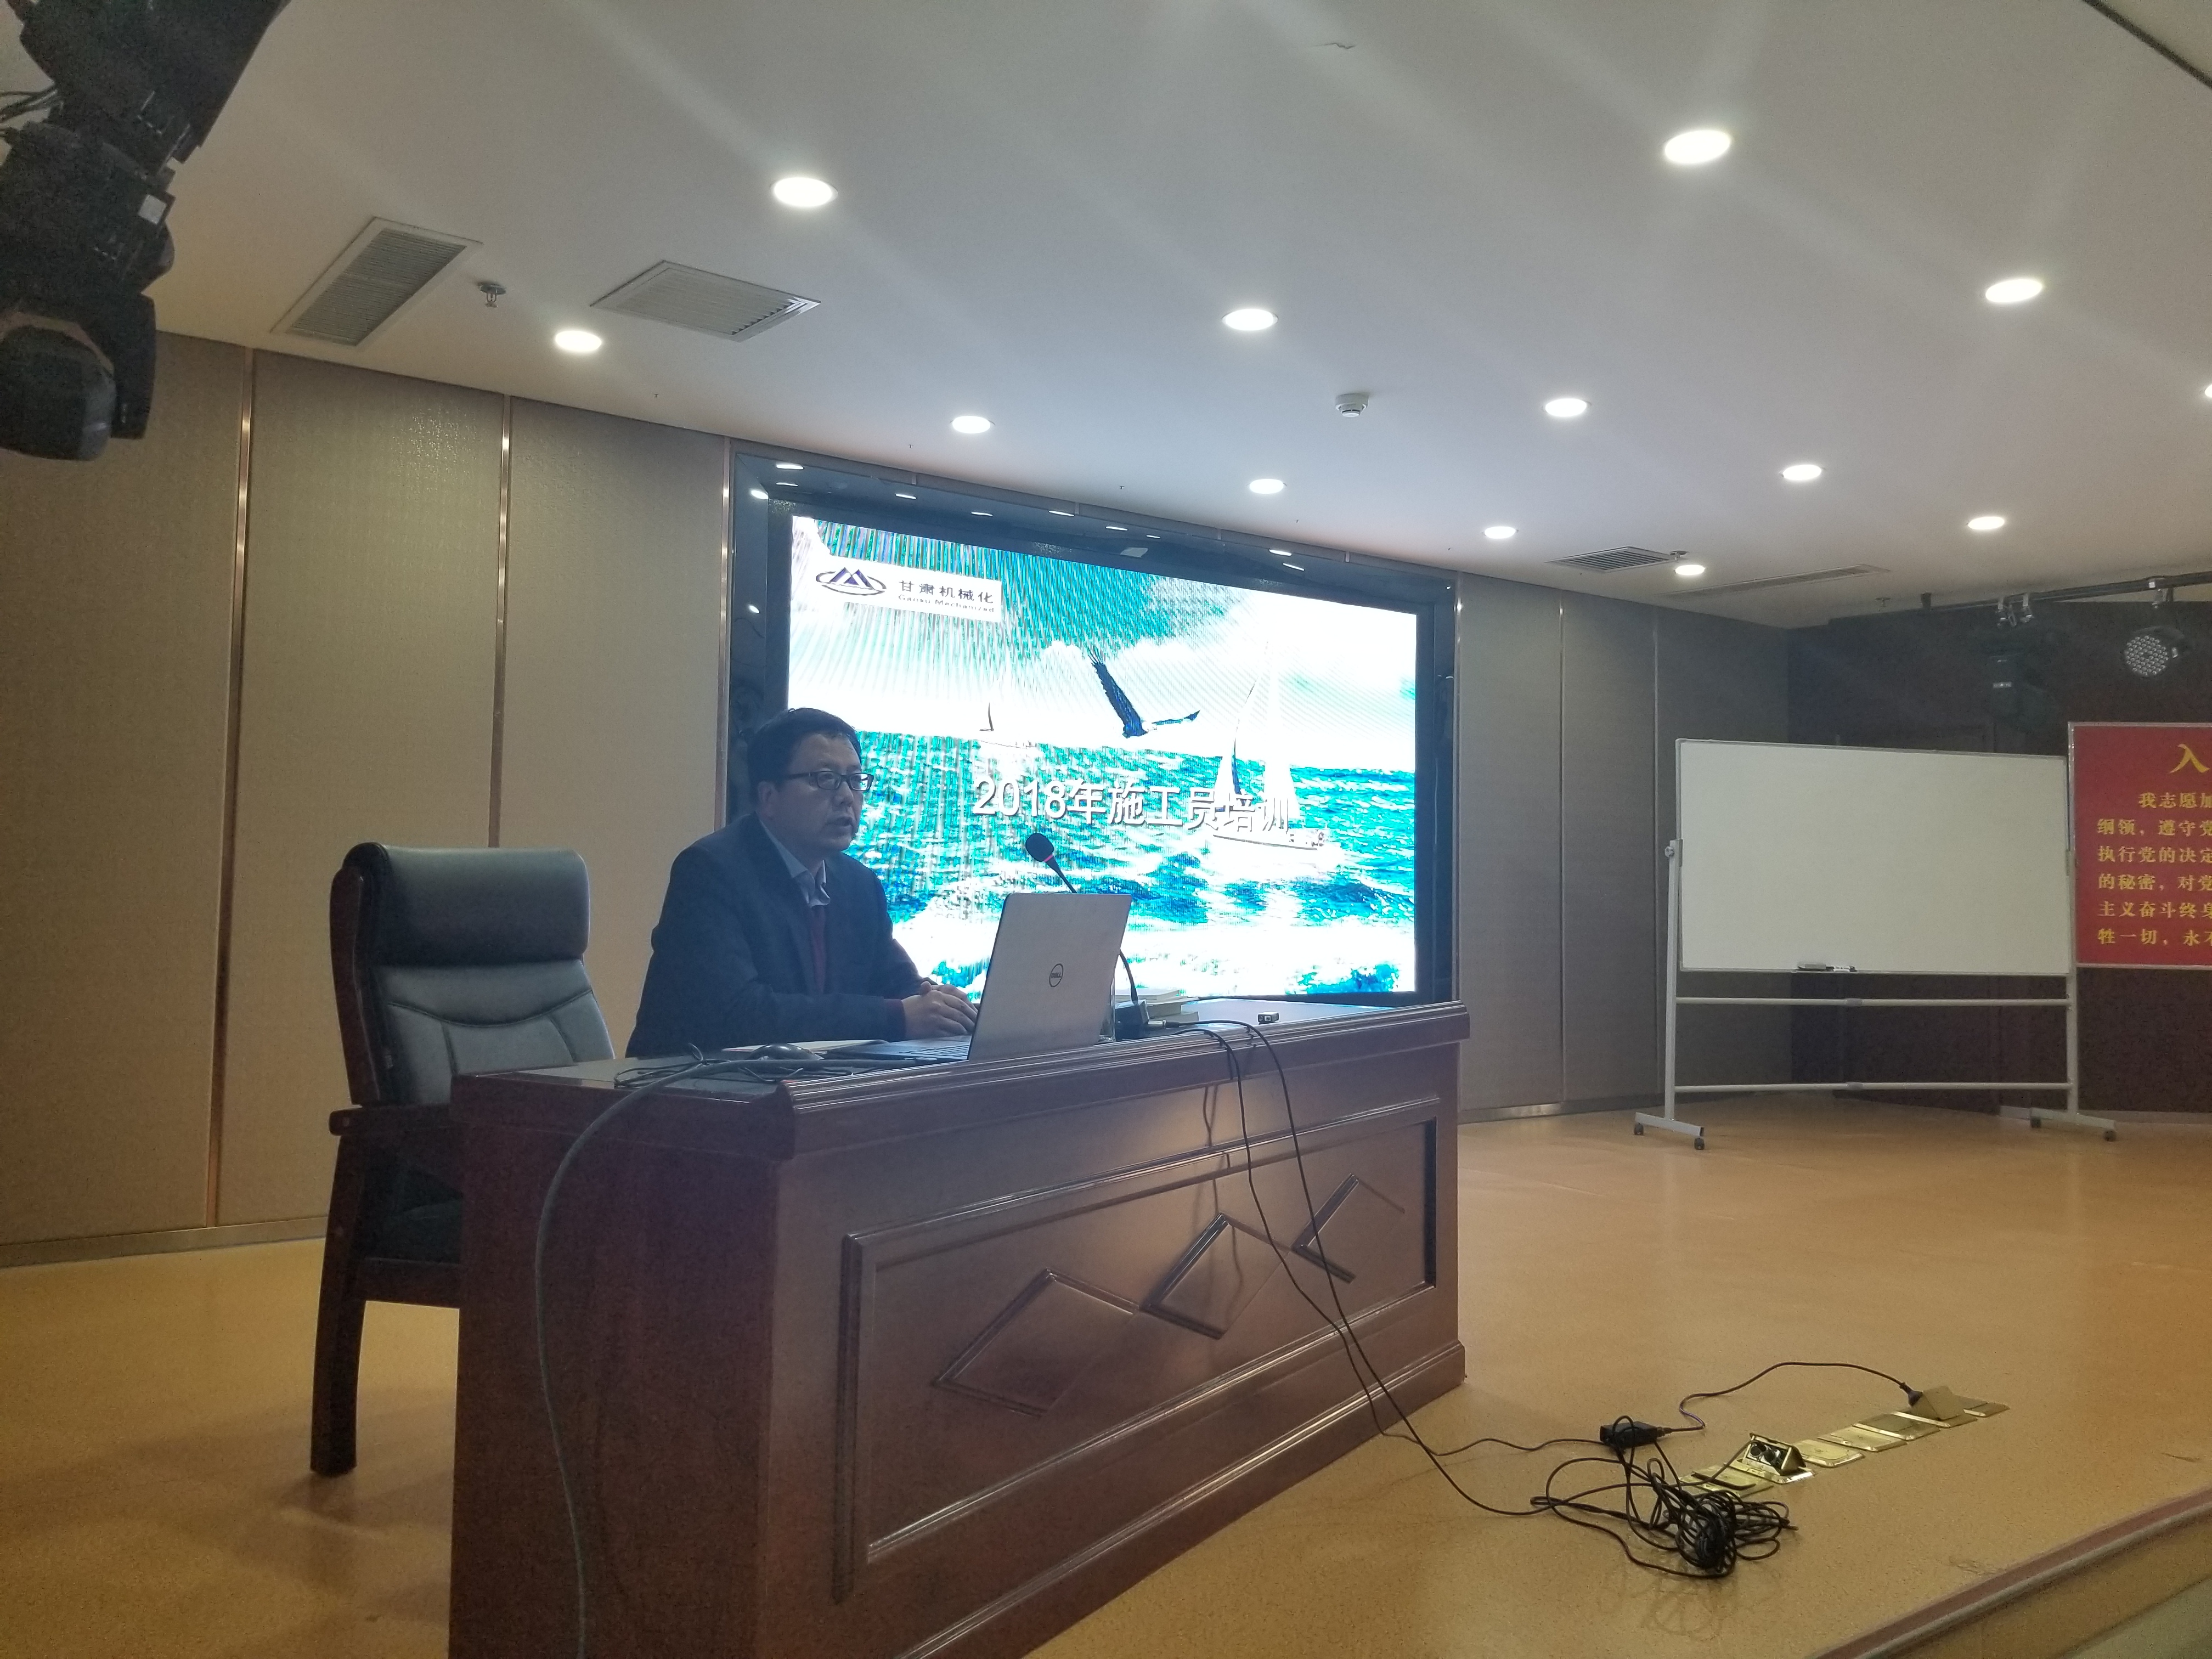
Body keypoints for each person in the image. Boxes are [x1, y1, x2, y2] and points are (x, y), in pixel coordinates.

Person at [627, 707, 977, 1055]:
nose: (846, 797)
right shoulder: (711, 871)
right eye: (825, 778)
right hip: (689, 1084)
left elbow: (894, 981)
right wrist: (895, 1017)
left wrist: (940, 1004)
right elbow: (739, 1014)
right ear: (768, 797)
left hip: (811, 1082)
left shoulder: (859, 884)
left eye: (856, 780)